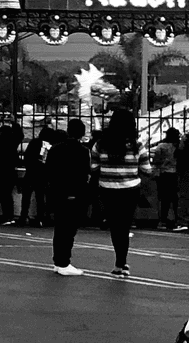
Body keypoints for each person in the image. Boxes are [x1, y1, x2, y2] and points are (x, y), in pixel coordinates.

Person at [93, 107, 141, 278]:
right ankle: (122, 262)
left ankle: (119, 263)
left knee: (115, 226)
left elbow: (93, 166)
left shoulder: (100, 144)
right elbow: (147, 168)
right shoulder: (136, 145)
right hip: (130, 189)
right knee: (125, 225)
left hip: (107, 188)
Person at [44, 117, 93, 275]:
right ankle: (64, 262)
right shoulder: (83, 151)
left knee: (59, 228)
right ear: (82, 133)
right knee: (69, 229)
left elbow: (48, 170)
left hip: (58, 191)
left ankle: (58, 261)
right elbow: (85, 173)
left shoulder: (55, 149)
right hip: (75, 192)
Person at [20, 121, 54, 227]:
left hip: (30, 172)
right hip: (42, 174)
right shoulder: (50, 146)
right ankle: (40, 218)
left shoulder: (34, 142)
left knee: (26, 197)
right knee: (40, 197)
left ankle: (23, 216)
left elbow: (27, 156)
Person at [150, 127, 179, 231]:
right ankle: (175, 220)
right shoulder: (178, 146)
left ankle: (162, 220)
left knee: (163, 198)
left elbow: (156, 160)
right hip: (175, 174)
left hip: (163, 174)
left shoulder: (161, 146)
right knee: (174, 199)